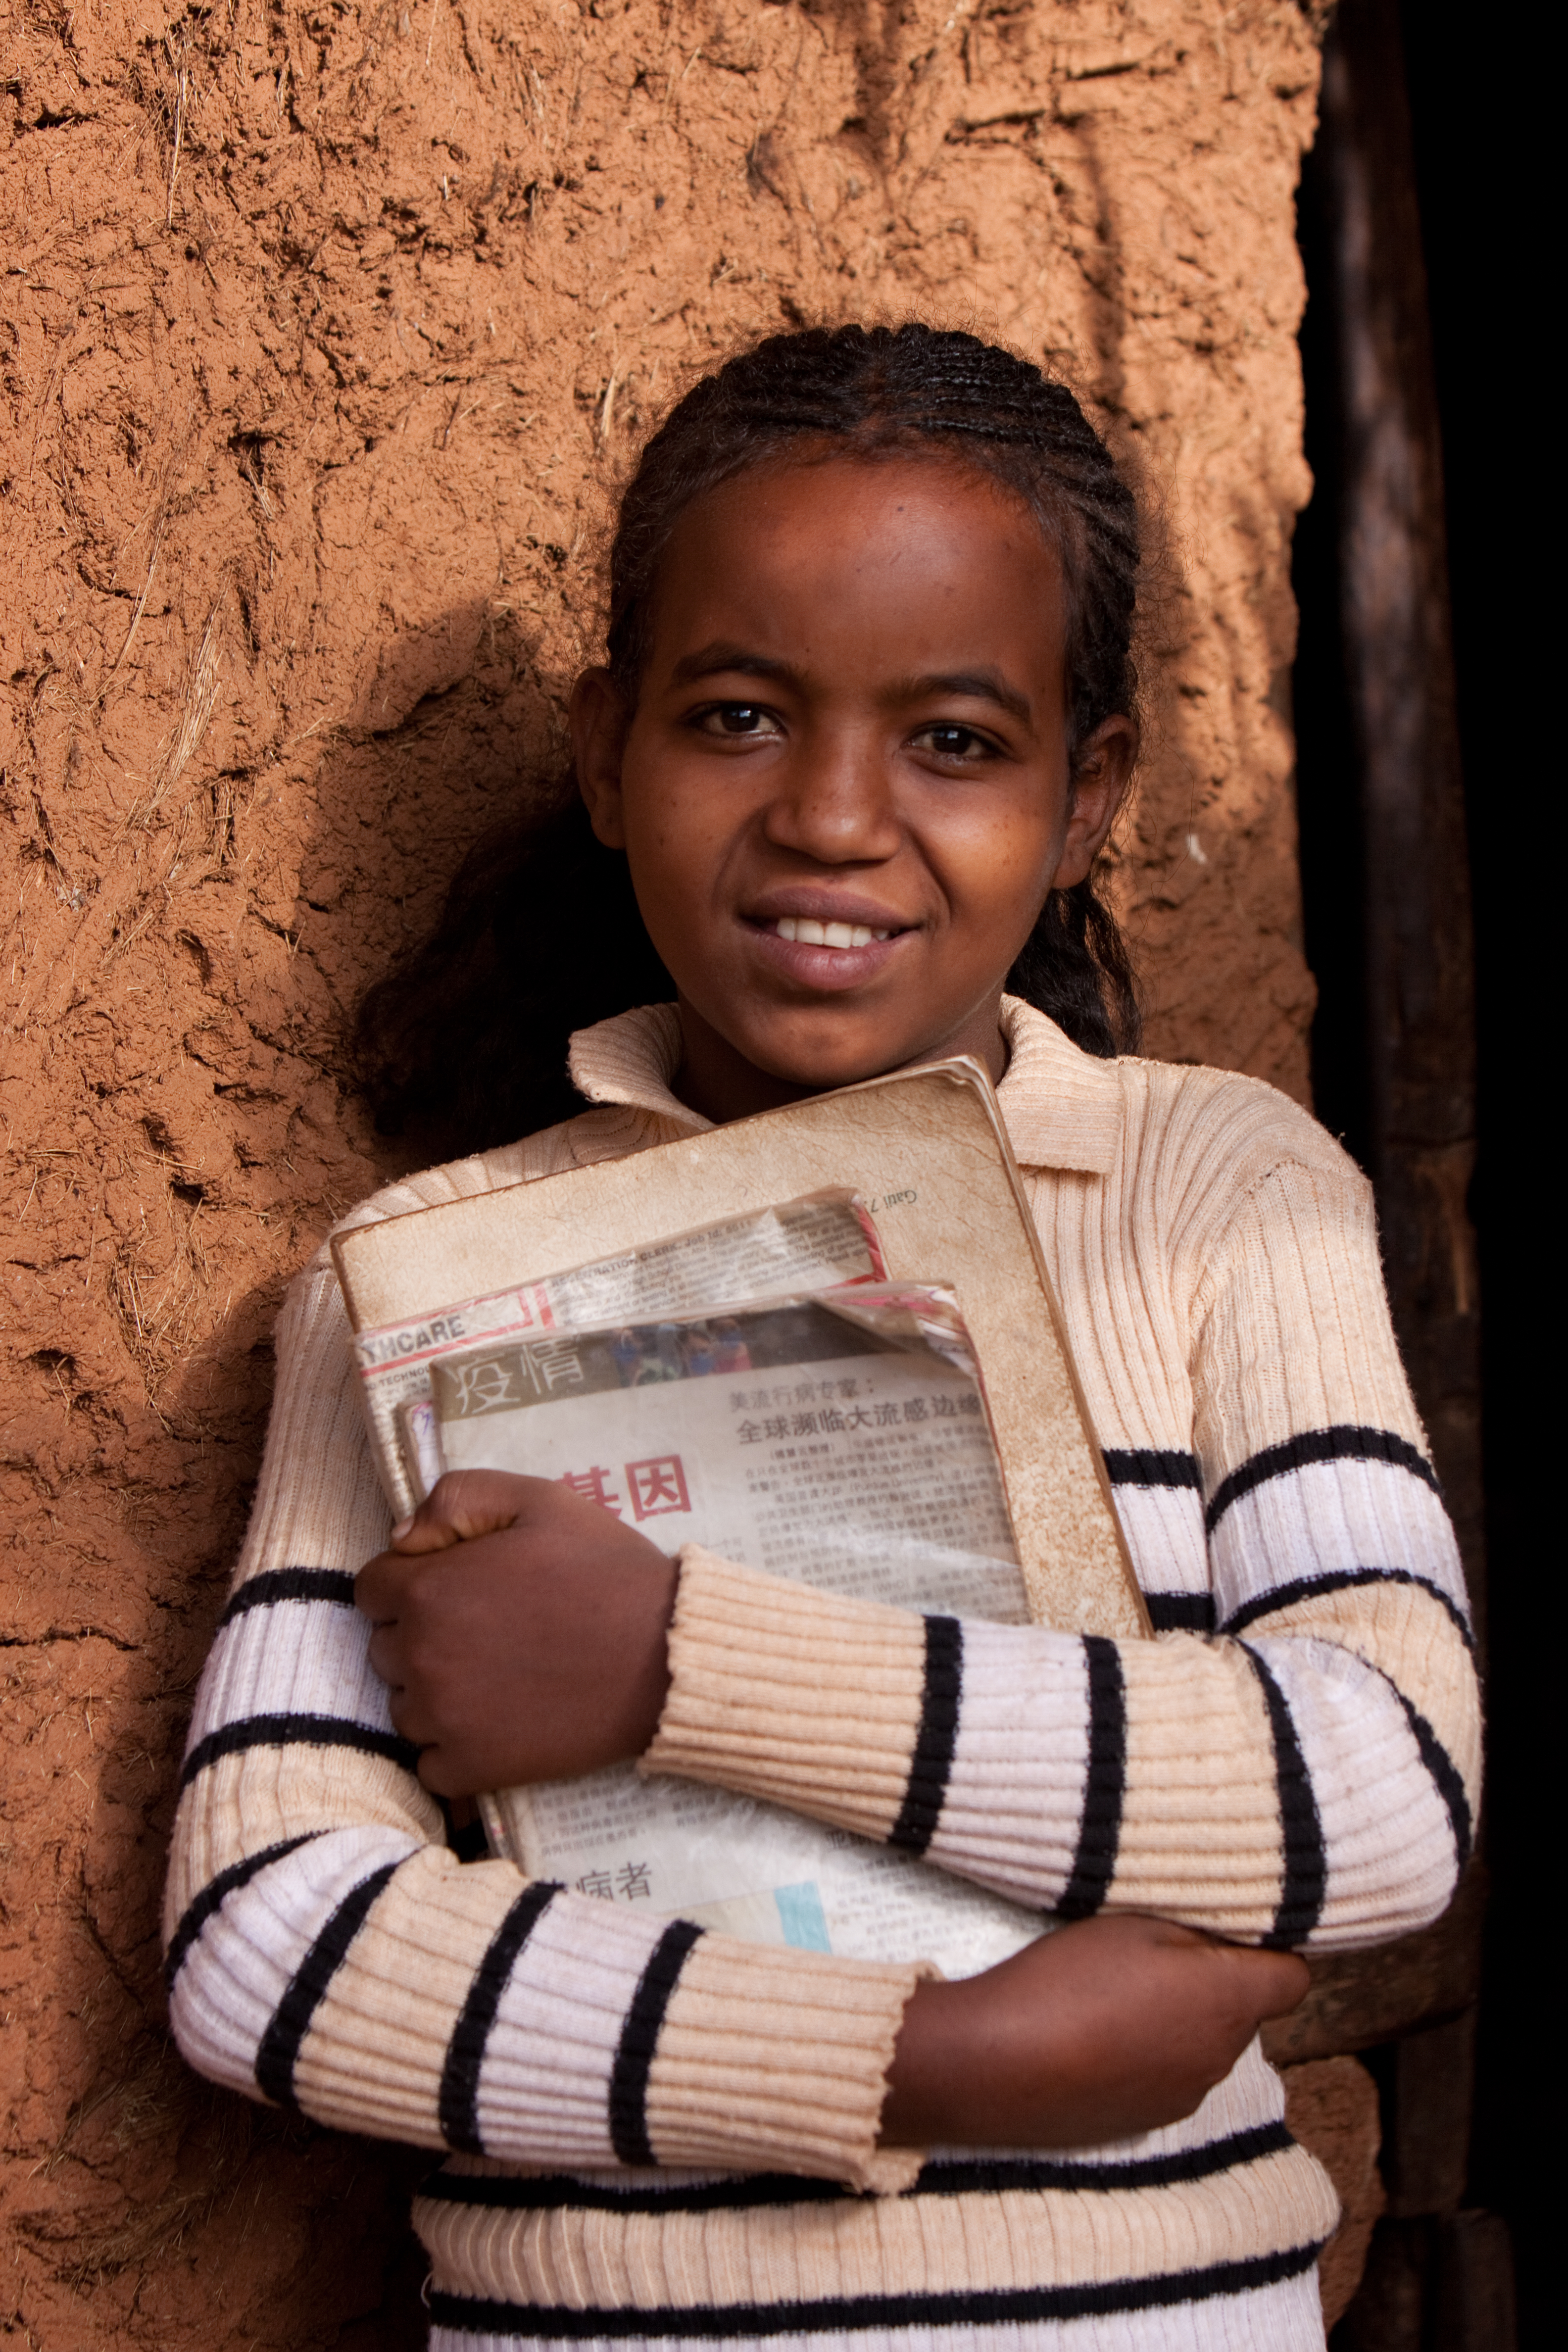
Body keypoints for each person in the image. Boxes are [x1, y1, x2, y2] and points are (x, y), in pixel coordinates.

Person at [163, 325, 1478, 2351]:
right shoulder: (424, 1277)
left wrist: (676, 1663)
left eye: (955, 739)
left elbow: (1385, 1788)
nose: (835, 820)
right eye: (739, 717)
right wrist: (921, 2065)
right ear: (608, 752)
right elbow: (271, 1947)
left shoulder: (1218, 1196)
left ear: (1089, 794)